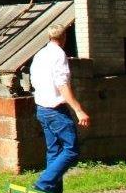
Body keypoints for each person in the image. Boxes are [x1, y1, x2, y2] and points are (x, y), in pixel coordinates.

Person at [29, 24, 90, 193]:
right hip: (56, 110)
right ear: (64, 38)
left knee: (54, 151)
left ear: (49, 37)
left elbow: (34, 80)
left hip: (42, 108)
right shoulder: (59, 55)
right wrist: (78, 109)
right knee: (71, 150)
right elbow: (62, 84)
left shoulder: (39, 54)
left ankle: (52, 190)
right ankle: (44, 183)